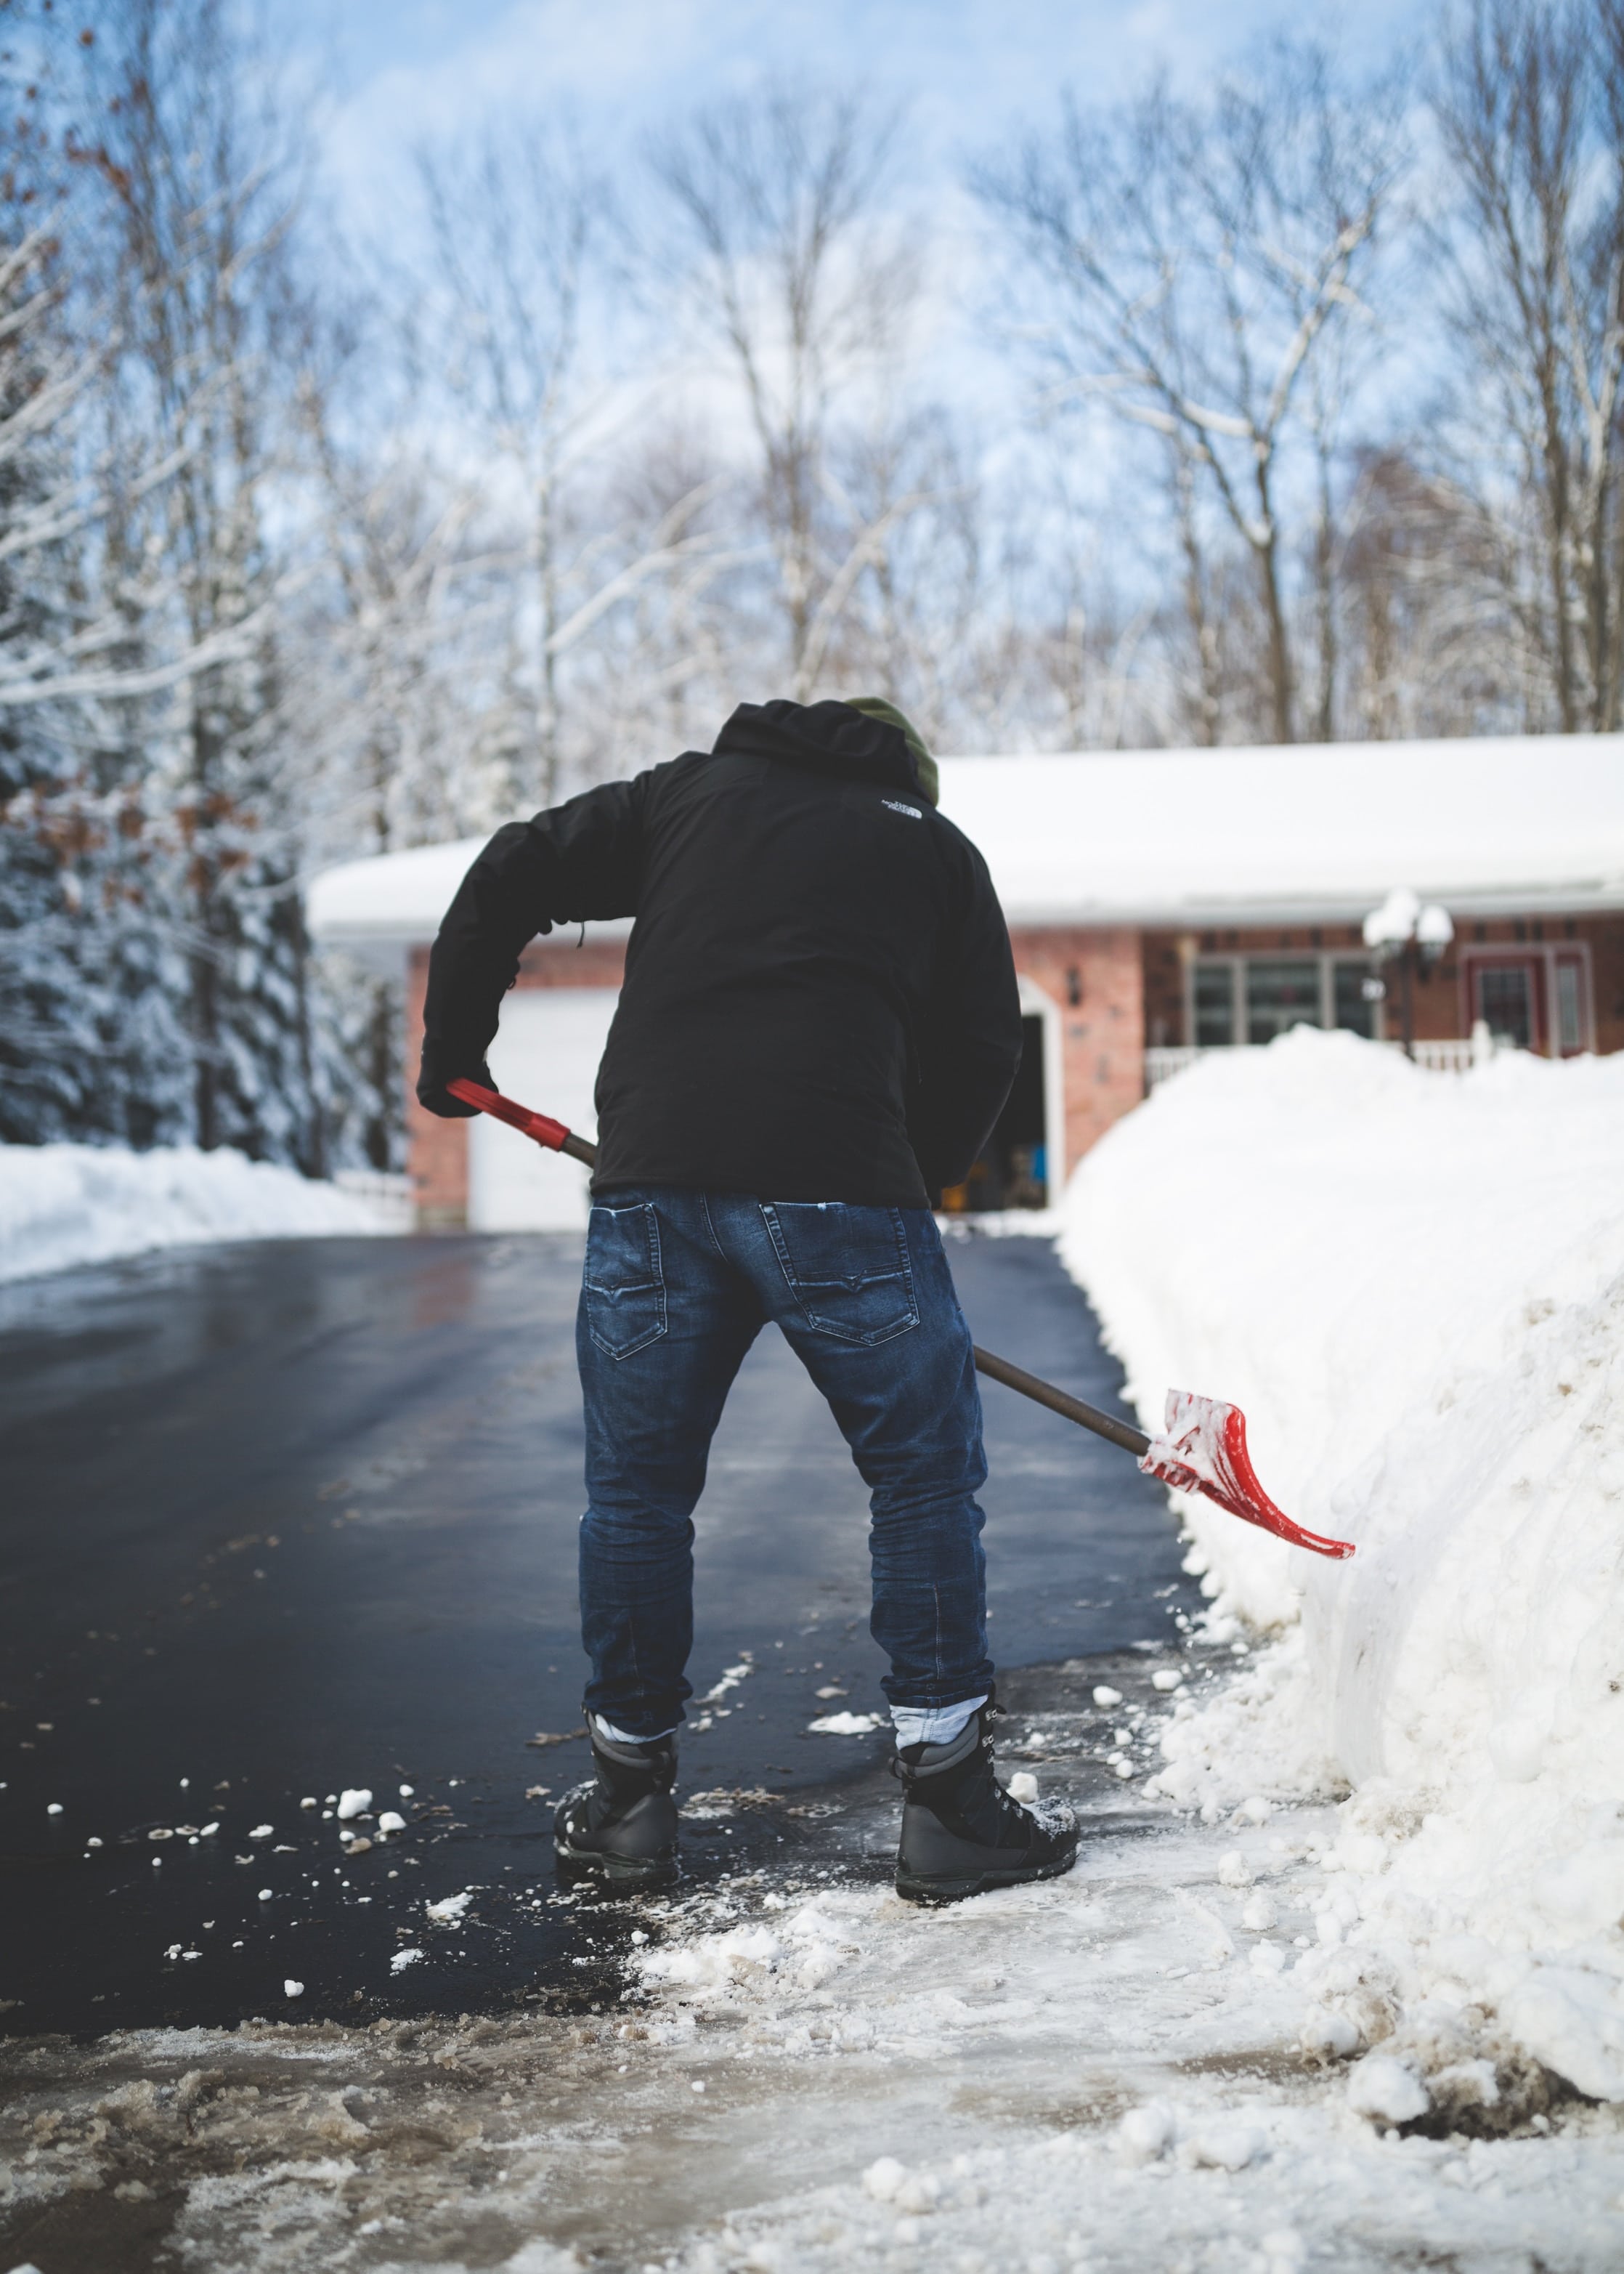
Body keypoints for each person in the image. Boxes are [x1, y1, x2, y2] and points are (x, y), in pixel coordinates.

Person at [418, 696, 1079, 1903]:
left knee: (636, 1493)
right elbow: (987, 1042)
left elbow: (515, 863)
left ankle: (626, 1802)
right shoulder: (933, 848)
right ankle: (947, 1806)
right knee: (922, 1477)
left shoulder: (684, 798)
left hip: (653, 1185)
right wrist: (894, 1173)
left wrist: (453, 1040)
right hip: (841, 1187)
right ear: (910, 775)